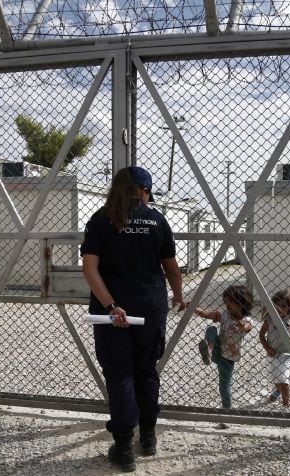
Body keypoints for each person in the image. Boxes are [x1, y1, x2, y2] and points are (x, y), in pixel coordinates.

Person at [81, 166, 187, 473]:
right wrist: (178, 296)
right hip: (150, 308)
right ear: (145, 191)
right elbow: (173, 270)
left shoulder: (101, 220)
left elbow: (90, 269)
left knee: (120, 374)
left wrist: (112, 306)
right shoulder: (157, 220)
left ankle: (124, 446)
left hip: (112, 313)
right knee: (146, 370)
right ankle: (149, 437)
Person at [195, 285, 254, 410]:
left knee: (224, 386)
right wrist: (192, 308)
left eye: (230, 301)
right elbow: (207, 314)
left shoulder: (246, 319)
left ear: (241, 302)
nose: (227, 304)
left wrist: (242, 326)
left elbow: (248, 326)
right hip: (217, 350)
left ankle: (227, 410)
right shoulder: (224, 315)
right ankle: (209, 352)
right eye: (225, 301)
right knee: (211, 328)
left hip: (228, 358)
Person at [258, 290, 290, 407]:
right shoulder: (269, 320)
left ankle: (286, 405)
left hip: (287, 355)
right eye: (277, 305)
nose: (280, 308)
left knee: (284, 380)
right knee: (276, 379)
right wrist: (267, 348)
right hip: (272, 354)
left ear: (289, 308)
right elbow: (261, 335)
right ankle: (278, 391)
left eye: (284, 306)